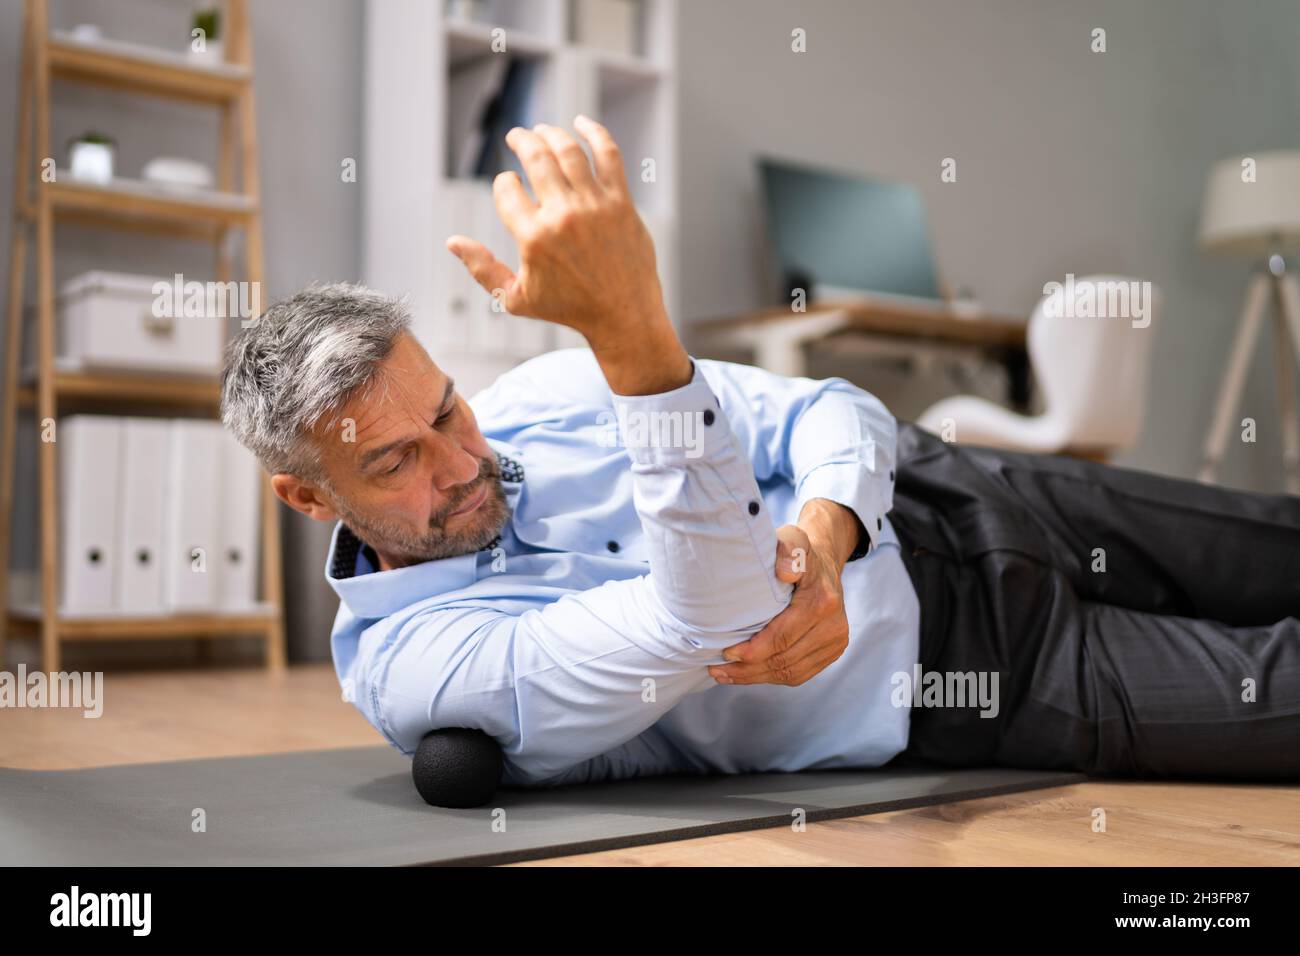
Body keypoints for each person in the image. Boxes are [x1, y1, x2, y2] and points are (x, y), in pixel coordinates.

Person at [220, 117, 1300, 787]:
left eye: (446, 411)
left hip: (966, 490)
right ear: (307, 496)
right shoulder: (420, 668)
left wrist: (828, 528)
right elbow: (715, 610)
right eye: (394, 462)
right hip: (970, 673)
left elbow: (833, 407)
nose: (458, 462)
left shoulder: (539, 391)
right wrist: (636, 337)